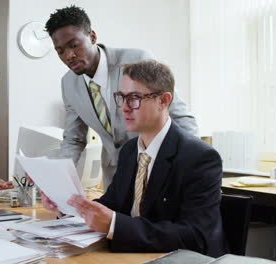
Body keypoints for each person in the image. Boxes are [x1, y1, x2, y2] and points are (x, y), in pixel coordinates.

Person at [42, 61, 227, 257]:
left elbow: (194, 236)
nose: (124, 108)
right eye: (121, 97)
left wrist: (114, 224)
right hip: (134, 255)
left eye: (135, 98)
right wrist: (69, 207)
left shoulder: (200, 157)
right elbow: (111, 205)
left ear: (163, 100)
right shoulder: (129, 151)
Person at [45, 6, 198, 189]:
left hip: (157, 167)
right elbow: (73, 138)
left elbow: (180, 117)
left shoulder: (136, 60)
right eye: (60, 51)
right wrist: (59, 183)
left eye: (74, 45)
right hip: (116, 176)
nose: (69, 55)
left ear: (92, 37)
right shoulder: (68, 83)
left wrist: (189, 167)